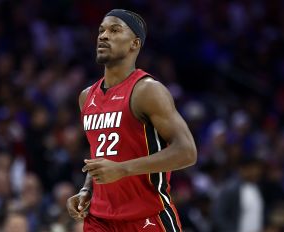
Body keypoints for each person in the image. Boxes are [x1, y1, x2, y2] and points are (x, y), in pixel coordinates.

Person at [66, 9, 197, 232]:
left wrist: (123, 169)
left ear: (134, 44)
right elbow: (103, 154)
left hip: (146, 217)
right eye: (101, 30)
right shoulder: (86, 96)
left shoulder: (147, 90)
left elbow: (187, 152)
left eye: (114, 30)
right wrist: (87, 189)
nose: (103, 36)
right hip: (100, 219)